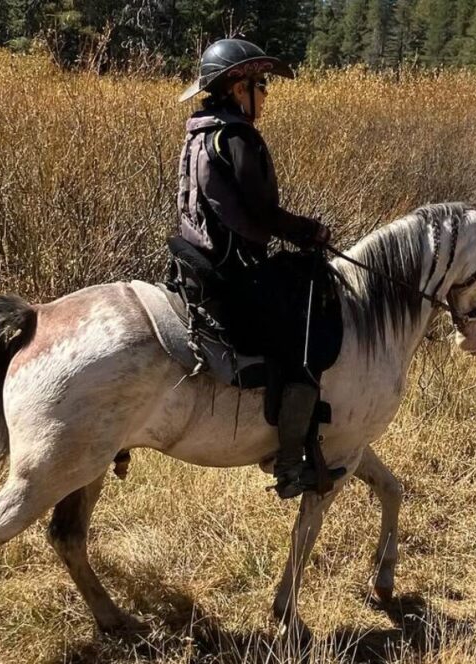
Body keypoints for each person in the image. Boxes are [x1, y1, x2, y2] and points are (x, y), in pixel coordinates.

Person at [176, 38, 343, 499]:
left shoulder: (199, 131)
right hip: (234, 271)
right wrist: (311, 232)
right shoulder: (236, 136)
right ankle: (289, 463)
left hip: (199, 264)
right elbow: (263, 211)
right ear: (237, 87)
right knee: (303, 342)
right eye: (261, 85)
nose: (266, 95)